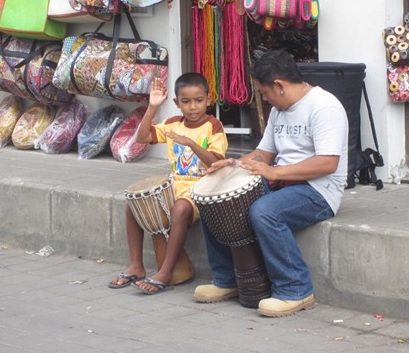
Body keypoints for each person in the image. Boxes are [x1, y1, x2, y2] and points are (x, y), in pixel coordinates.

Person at [194, 50, 349, 317]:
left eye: (264, 93)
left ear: (279, 85)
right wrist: (232, 164)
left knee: (265, 211)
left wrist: (275, 174)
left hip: (319, 191)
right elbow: (263, 154)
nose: (263, 99)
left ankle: (296, 290)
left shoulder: (325, 106)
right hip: (282, 183)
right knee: (216, 200)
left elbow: (327, 163)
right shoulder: (280, 109)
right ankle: (226, 279)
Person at [108, 72, 228, 294]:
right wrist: (152, 107)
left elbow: (215, 163)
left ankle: (165, 271)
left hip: (201, 189)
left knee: (180, 207)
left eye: (199, 100)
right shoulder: (173, 124)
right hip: (174, 187)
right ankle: (136, 265)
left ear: (209, 99)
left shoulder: (214, 126)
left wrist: (191, 143)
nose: (193, 107)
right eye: (186, 101)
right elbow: (142, 137)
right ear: (176, 103)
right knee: (133, 203)